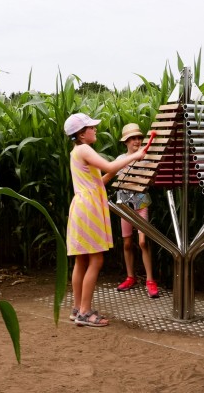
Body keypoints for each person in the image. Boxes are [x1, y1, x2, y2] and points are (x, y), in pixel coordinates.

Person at [64, 113, 146, 327]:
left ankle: (76, 309)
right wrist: (134, 157)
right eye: (91, 127)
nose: (95, 129)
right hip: (89, 209)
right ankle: (85, 312)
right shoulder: (84, 149)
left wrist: (115, 172)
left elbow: (98, 180)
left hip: (81, 206)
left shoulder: (76, 151)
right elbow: (109, 167)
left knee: (81, 260)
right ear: (82, 134)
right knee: (96, 260)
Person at [112, 123, 159, 298]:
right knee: (126, 243)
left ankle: (150, 280)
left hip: (141, 202)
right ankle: (131, 277)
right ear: (126, 141)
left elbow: (152, 181)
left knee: (142, 242)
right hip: (124, 203)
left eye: (139, 138)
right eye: (133, 139)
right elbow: (117, 179)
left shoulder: (146, 158)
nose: (137, 141)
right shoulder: (119, 159)